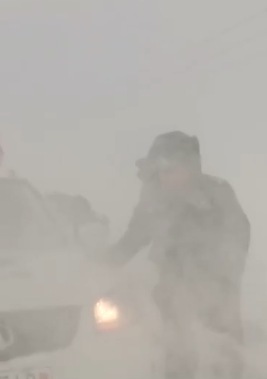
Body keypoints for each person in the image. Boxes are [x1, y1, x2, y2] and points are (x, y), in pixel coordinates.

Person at [102, 131, 251, 379]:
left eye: (170, 169)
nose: (165, 176)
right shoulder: (154, 197)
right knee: (176, 347)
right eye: (160, 170)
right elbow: (135, 235)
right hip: (171, 285)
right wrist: (106, 262)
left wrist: (221, 276)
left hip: (216, 286)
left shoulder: (217, 192)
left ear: (190, 167)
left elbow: (239, 234)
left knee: (224, 348)